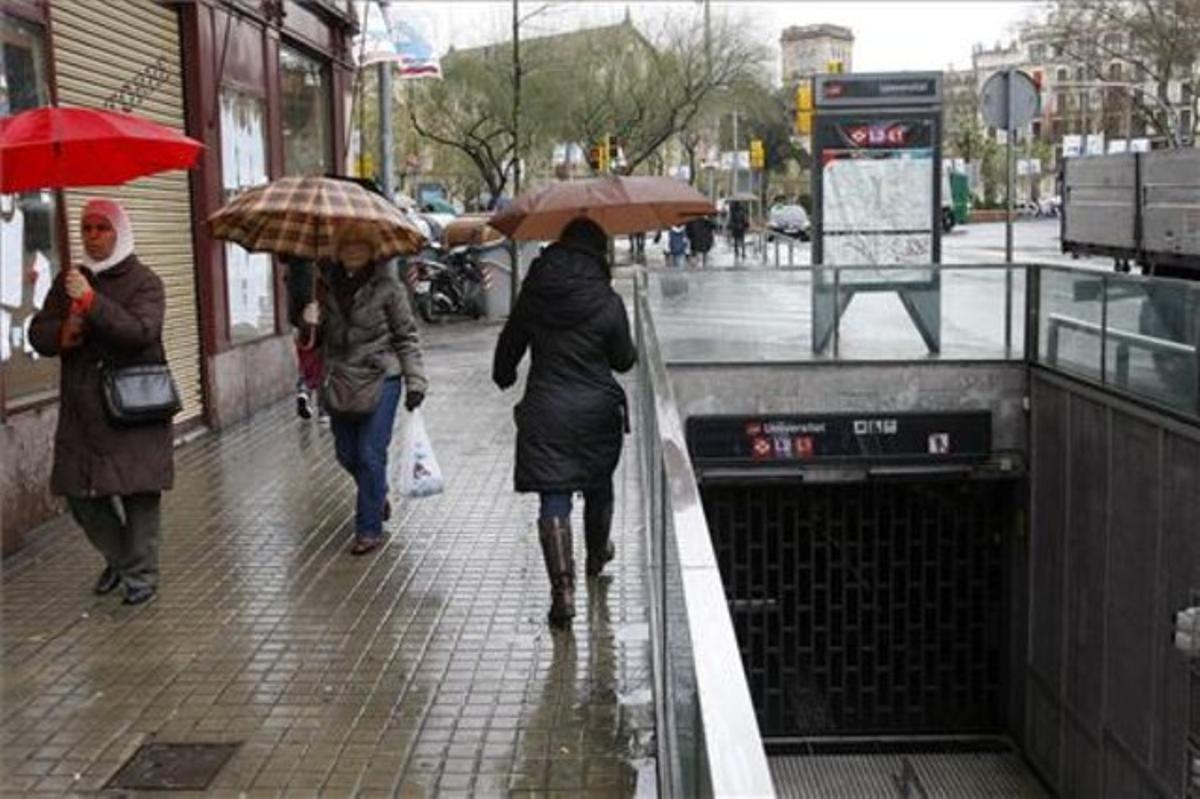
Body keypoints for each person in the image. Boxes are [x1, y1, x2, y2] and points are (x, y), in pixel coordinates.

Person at [492, 217, 637, 628]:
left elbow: (509, 348)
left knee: (553, 497)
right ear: (598, 253)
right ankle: (595, 555)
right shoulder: (607, 300)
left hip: (546, 409)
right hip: (596, 412)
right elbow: (622, 360)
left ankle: (563, 591)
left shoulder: (535, 293)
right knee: (598, 483)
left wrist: (504, 375)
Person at [29, 199, 172, 605]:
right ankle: (122, 559)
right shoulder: (69, 281)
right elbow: (39, 334)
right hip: (83, 411)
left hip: (132, 407)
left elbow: (139, 333)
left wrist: (92, 303)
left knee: (138, 494)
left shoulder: (146, 282)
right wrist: (64, 329)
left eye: (102, 228)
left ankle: (140, 574)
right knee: (80, 494)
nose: (92, 236)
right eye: (87, 228)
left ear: (119, 232)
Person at [312, 221, 427, 555]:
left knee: (369, 453)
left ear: (373, 251)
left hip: (381, 378)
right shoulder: (326, 288)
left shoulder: (389, 289)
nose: (353, 251)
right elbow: (314, 341)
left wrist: (415, 380)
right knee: (346, 453)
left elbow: (406, 337)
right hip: (340, 380)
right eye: (347, 245)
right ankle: (377, 493)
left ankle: (368, 529)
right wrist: (309, 319)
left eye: (360, 246)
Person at [284, 256, 325, 422]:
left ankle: (304, 389)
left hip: (299, 321)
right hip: (318, 319)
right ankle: (323, 409)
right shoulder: (319, 265)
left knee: (306, 359)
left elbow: (287, 283)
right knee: (322, 363)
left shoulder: (293, 264)